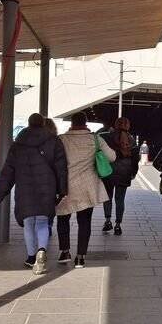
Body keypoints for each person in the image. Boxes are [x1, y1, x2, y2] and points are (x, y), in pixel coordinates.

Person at [0, 113, 67, 274]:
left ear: (28, 123)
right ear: (42, 124)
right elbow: (61, 168)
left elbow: (8, 170)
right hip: (46, 188)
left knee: (28, 223)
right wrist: (62, 190)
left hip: (24, 189)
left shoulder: (18, 144)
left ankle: (31, 256)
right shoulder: (54, 141)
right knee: (42, 221)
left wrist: (1, 193)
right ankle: (42, 250)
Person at [55, 112, 115, 268]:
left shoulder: (61, 139)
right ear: (86, 123)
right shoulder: (95, 139)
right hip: (87, 187)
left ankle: (64, 252)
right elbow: (112, 157)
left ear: (72, 123)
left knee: (62, 218)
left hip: (65, 187)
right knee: (85, 221)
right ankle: (80, 257)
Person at [101, 117, 140, 235]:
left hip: (108, 172)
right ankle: (118, 225)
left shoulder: (106, 137)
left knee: (107, 197)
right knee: (120, 199)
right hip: (125, 172)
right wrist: (133, 173)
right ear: (128, 126)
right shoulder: (132, 140)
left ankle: (108, 221)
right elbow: (135, 160)